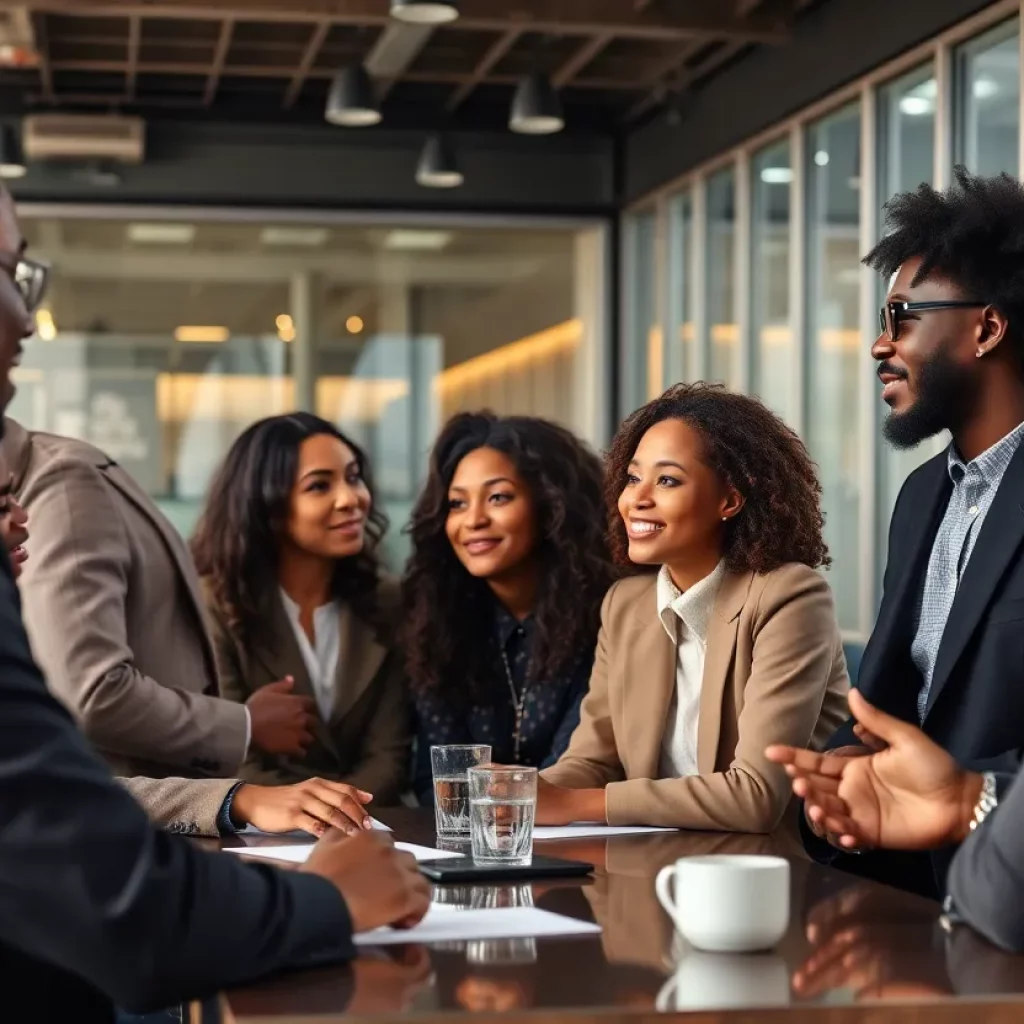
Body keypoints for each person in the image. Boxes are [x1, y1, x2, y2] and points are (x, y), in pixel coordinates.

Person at [0, 186, 430, 1021]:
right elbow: (81, 850)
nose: (27, 316)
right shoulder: (74, 485)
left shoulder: (384, 603)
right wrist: (321, 892)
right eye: (10, 271)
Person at [799, 167, 1024, 898]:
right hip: (901, 887)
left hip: (1002, 887)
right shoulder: (923, 494)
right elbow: (897, 693)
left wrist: (968, 800)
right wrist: (832, 781)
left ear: (986, 328)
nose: (877, 345)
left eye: (902, 318)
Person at [0, 448, 375, 838]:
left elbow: (59, 787)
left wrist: (244, 799)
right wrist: (244, 790)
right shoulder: (219, 601)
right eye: (1, 505)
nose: (24, 517)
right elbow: (49, 791)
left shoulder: (379, 604)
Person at [539, 383, 849, 830]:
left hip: (769, 870)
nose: (636, 499)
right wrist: (518, 797)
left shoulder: (789, 596)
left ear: (729, 500)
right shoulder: (625, 605)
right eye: (631, 477)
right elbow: (591, 763)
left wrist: (570, 806)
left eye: (667, 480)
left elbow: (755, 796)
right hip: (654, 861)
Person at [2, 413, 316, 780]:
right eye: (317, 486)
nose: (22, 517)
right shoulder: (64, 477)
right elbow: (89, 696)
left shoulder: (62, 467)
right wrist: (244, 728)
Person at [192, 413, 410, 802]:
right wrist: (305, 809)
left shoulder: (387, 602)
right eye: (319, 486)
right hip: (254, 832)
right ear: (267, 505)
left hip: (372, 823)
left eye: (354, 477)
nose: (350, 499)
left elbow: (390, 757)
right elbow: (223, 757)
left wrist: (342, 812)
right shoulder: (213, 606)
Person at [401, 412, 616, 804]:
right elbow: (438, 780)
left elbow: (583, 768)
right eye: (457, 503)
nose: (474, 520)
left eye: (498, 497)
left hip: (581, 835)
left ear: (551, 505)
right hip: (473, 845)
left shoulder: (610, 613)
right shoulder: (439, 622)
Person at [768, 689, 1024, 953]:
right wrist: (843, 775)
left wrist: (968, 800)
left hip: (973, 929)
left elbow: (1004, 899)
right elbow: (870, 707)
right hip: (887, 909)